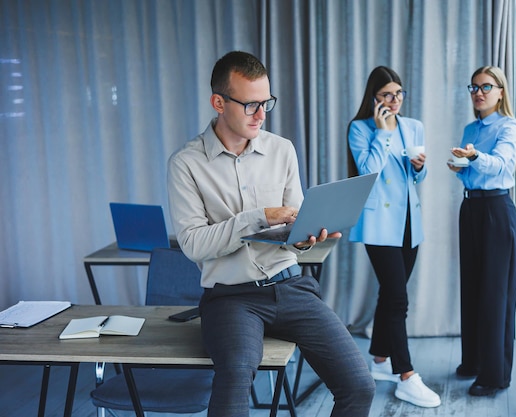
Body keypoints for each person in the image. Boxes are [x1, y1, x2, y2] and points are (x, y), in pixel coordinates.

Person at [167, 51, 376, 417]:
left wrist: (306, 236)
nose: (261, 115)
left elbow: (293, 225)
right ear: (219, 102)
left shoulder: (282, 150)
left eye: (266, 103)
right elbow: (193, 244)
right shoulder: (186, 164)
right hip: (231, 298)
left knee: (360, 386)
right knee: (233, 386)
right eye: (250, 105)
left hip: (291, 287)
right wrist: (257, 218)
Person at [347, 66, 441, 408]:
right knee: (399, 299)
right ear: (374, 98)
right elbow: (368, 171)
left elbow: (418, 176)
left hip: (408, 222)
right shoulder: (360, 128)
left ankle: (380, 359)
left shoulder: (414, 126)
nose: (395, 100)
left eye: (399, 93)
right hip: (379, 224)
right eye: (387, 94)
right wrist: (384, 133)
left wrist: (419, 168)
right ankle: (406, 375)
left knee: (391, 293)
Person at [447, 65, 516, 396]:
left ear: (500, 92)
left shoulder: (509, 127)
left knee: (495, 295)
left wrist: (475, 156)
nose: (478, 92)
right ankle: (474, 361)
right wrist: (461, 169)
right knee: (473, 288)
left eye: (486, 87)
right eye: (474, 87)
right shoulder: (470, 128)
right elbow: (473, 174)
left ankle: (495, 376)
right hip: (472, 208)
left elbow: (503, 166)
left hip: (497, 211)